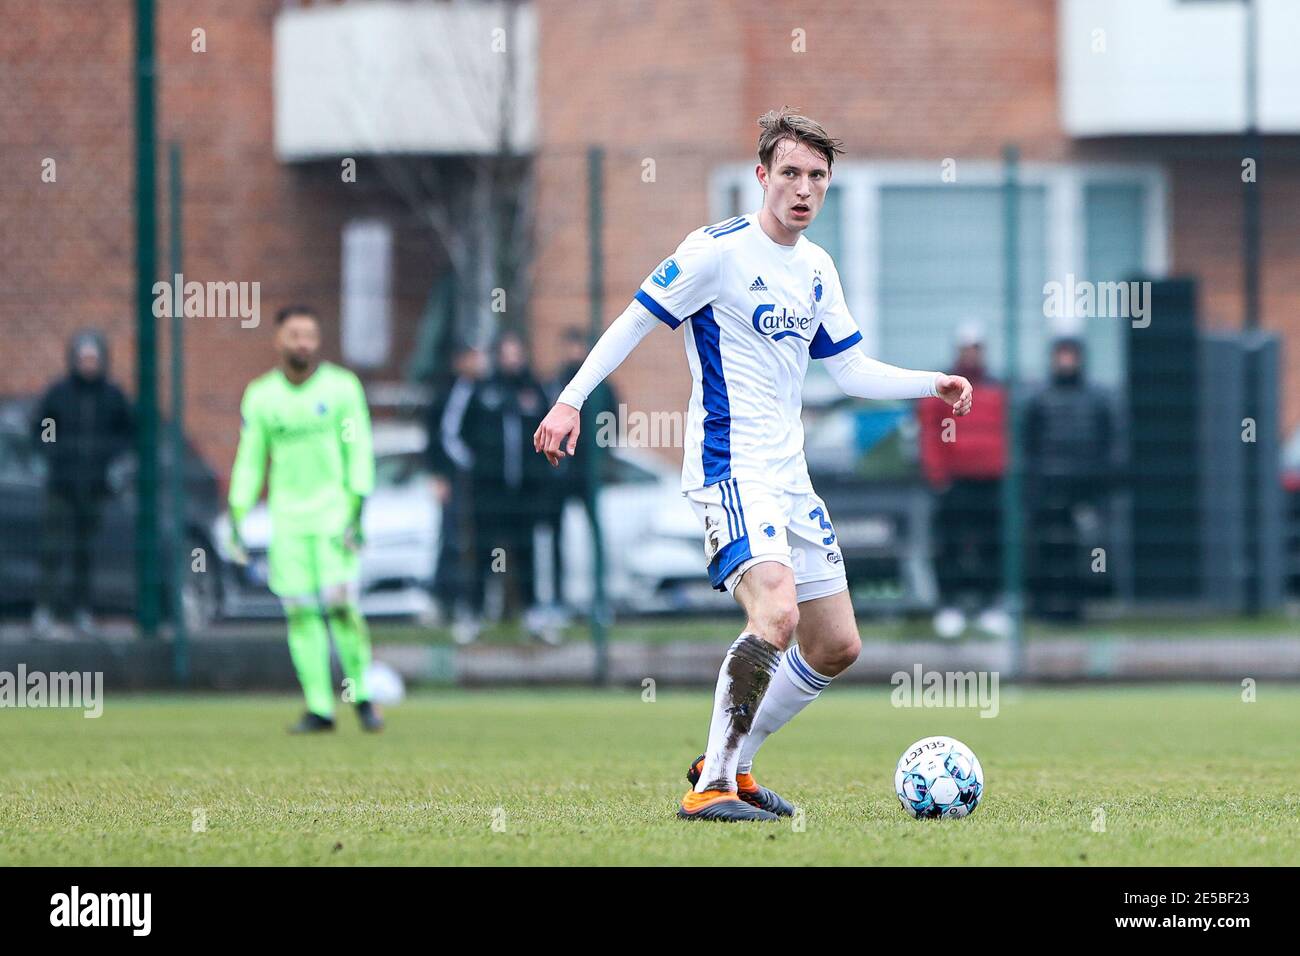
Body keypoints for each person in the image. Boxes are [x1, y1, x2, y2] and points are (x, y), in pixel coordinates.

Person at [534, 109, 972, 822]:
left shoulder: (816, 268)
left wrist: (932, 382)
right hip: (729, 468)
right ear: (762, 177)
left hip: (790, 477)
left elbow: (851, 369)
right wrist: (570, 402)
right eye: (790, 173)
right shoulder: (715, 253)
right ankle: (709, 791)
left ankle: (727, 766)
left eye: (817, 177)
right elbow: (636, 318)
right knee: (776, 612)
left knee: (835, 645)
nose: (803, 189)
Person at [228, 305, 382, 733]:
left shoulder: (341, 388)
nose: (302, 343)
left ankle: (362, 697)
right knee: (300, 614)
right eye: (294, 334)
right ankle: (320, 708)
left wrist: (357, 505)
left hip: (335, 517)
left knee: (341, 607)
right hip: (289, 522)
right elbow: (250, 458)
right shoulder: (261, 396)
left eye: (310, 335)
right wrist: (238, 509)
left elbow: (359, 448)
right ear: (278, 340)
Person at [442, 330, 553, 643]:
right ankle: (474, 614)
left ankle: (533, 615)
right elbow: (451, 435)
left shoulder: (535, 391)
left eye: (517, 353)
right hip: (487, 494)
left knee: (527, 552)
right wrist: (476, 468)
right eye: (506, 353)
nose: (512, 360)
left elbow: (552, 432)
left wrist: (541, 472)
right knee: (482, 553)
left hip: (524, 493)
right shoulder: (478, 389)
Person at [30, 330, 134, 638]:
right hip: (61, 483)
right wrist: (52, 454)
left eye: (94, 358)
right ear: (74, 359)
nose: (89, 364)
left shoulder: (112, 396)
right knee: (52, 548)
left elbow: (127, 432)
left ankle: (81, 610)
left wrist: (113, 461)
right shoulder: (59, 393)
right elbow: (43, 427)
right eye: (84, 358)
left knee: (85, 552)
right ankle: (45, 610)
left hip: (95, 485)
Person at [917, 321, 1008, 638]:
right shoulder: (943, 388)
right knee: (949, 544)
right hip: (953, 481)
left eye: (976, 348)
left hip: (990, 480)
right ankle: (950, 606)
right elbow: (930, 434)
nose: (971, 354)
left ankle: (989, 607)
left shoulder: (997, 389)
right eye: (966, 348)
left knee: (991, 544)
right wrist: (938, 474)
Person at [1023, 336, 1117, 621]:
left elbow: (1109, 441)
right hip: (1048, 488)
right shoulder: (1039, 399)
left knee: (1084, 547)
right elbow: (1028, 443)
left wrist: (1100, 478)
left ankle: (1076, 605)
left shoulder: (1097, 399)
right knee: (1048, 546)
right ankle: (1045, 605)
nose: (1066, 361)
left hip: (1084, 486)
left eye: (1070, 355)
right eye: (1061, 355)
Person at [538, 327, 618, 619]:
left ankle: (600, 600)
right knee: (554, 534)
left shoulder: (603, 387)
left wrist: (603, 459)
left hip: (589, 472)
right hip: (559, 470)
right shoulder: (555, 383)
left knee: (596, 533)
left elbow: (613, 425)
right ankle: (557, 599)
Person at [424, 344, 487, 635]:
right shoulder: (447, 391)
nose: (480, 362)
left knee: (481, 545)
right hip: (458, 481)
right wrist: (440, 473)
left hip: (482, 484)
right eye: (473, 356)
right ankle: (445, 601)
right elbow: (440, 437)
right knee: (452, 540)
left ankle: (476, 606)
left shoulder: (488, 390)